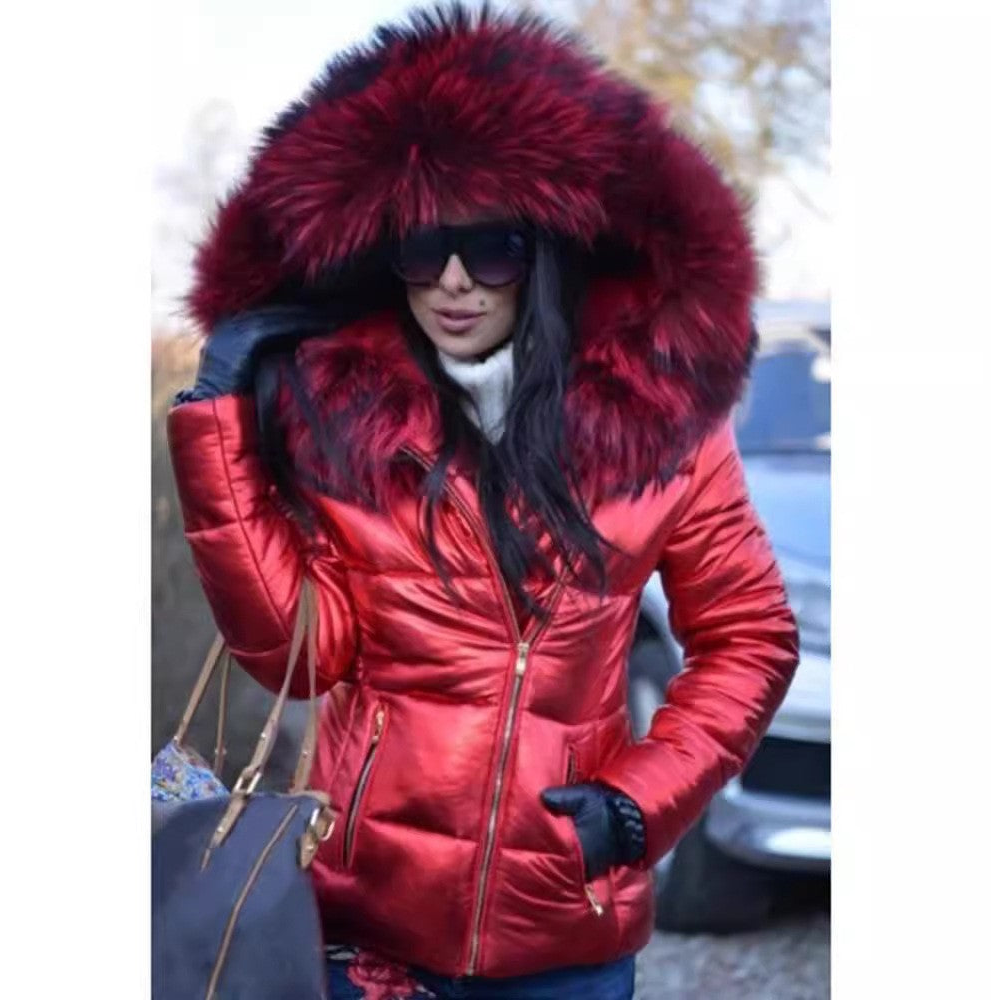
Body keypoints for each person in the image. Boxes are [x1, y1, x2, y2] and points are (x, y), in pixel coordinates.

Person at [167, 4, 799, 998]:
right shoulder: (350, 424)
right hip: (367, 924)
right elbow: (301, 653)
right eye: (425, 250)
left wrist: (637, 807)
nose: (454, 283)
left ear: (543, 255)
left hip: (565, 935)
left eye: (491, 249)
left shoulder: (664, 431)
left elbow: (749, 637)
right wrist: (217, 423)